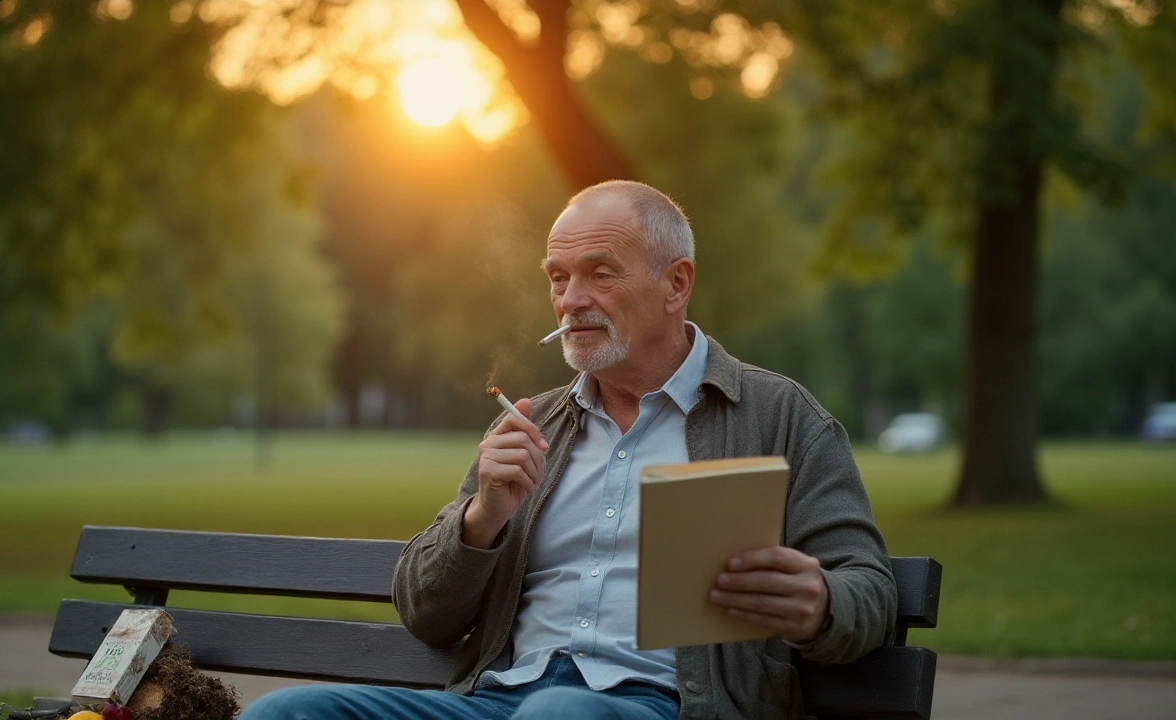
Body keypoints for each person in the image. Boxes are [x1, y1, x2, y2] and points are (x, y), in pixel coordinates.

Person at [243, 181, 895, 720]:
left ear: (676, 284)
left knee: (560, 714)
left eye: (599, 274)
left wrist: (821, 606)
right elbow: (424, 612)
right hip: (497, 704)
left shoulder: (779, 417)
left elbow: (869, 589)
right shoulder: (535, 426)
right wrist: (480, 521)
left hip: (666, 707)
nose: (570, 301)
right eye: (558, 278)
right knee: (283, 716)